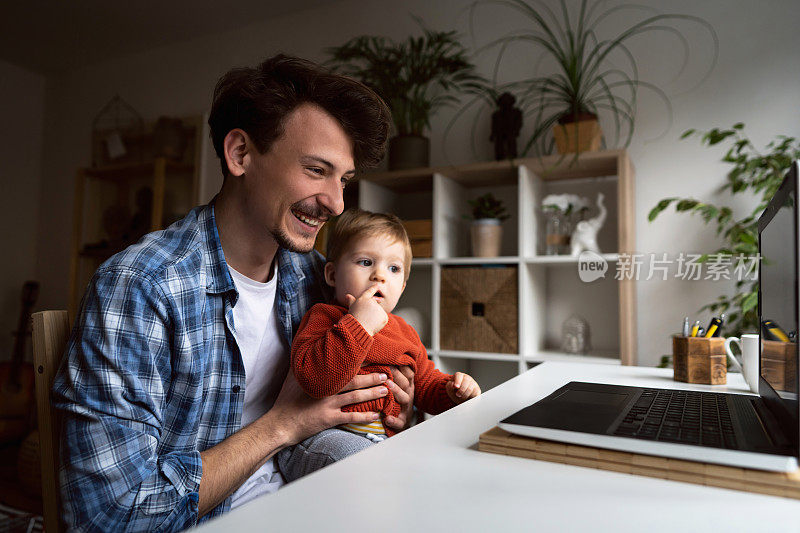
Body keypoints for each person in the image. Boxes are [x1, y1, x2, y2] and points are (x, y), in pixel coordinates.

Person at [51, 55, 417, 531]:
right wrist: (282, 425)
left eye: (342, 180)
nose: (337, 203)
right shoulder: (142, 287)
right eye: (315, 170)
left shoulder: (313, 278)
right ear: (240, 154)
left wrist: (390, 402)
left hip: (312, 502)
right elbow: (110, 515)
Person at [276, 208, 481, 481]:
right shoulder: (324, 317)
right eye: (365, 262)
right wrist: (358, 325)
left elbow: (424, 383)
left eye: (393, 268)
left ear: (403, 285)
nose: (379, 276)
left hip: (384, 442)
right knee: (369, 467)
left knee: (441, 465)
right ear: (332, 275)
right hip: (320, 440)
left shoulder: (404, 331)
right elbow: (315, 380)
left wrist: (452, 392)